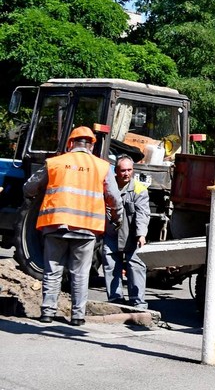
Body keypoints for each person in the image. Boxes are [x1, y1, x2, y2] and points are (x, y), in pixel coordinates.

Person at [23, 126, 121, 326]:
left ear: (70, 143)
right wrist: (116, 217)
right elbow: (114, 198)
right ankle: (77, 316)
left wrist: (37, 193)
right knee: (81, 273)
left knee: (52, 271)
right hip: (87, 229)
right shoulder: (102, 166)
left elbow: (29, 188)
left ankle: (48, 313)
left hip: (56, 226)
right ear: (92, 145)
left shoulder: (55, 163)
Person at [102, 155, 150, 309]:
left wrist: (141, 234)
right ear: (116, 171)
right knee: (110, 264)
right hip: (111, 234)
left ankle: (138, 302)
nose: (126, 173)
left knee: (136, 266)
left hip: (131, 236)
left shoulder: (139, 189)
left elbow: (143, 214)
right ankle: (115, 300)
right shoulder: (108, 187)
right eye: (123, 170)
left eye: (129, 170)